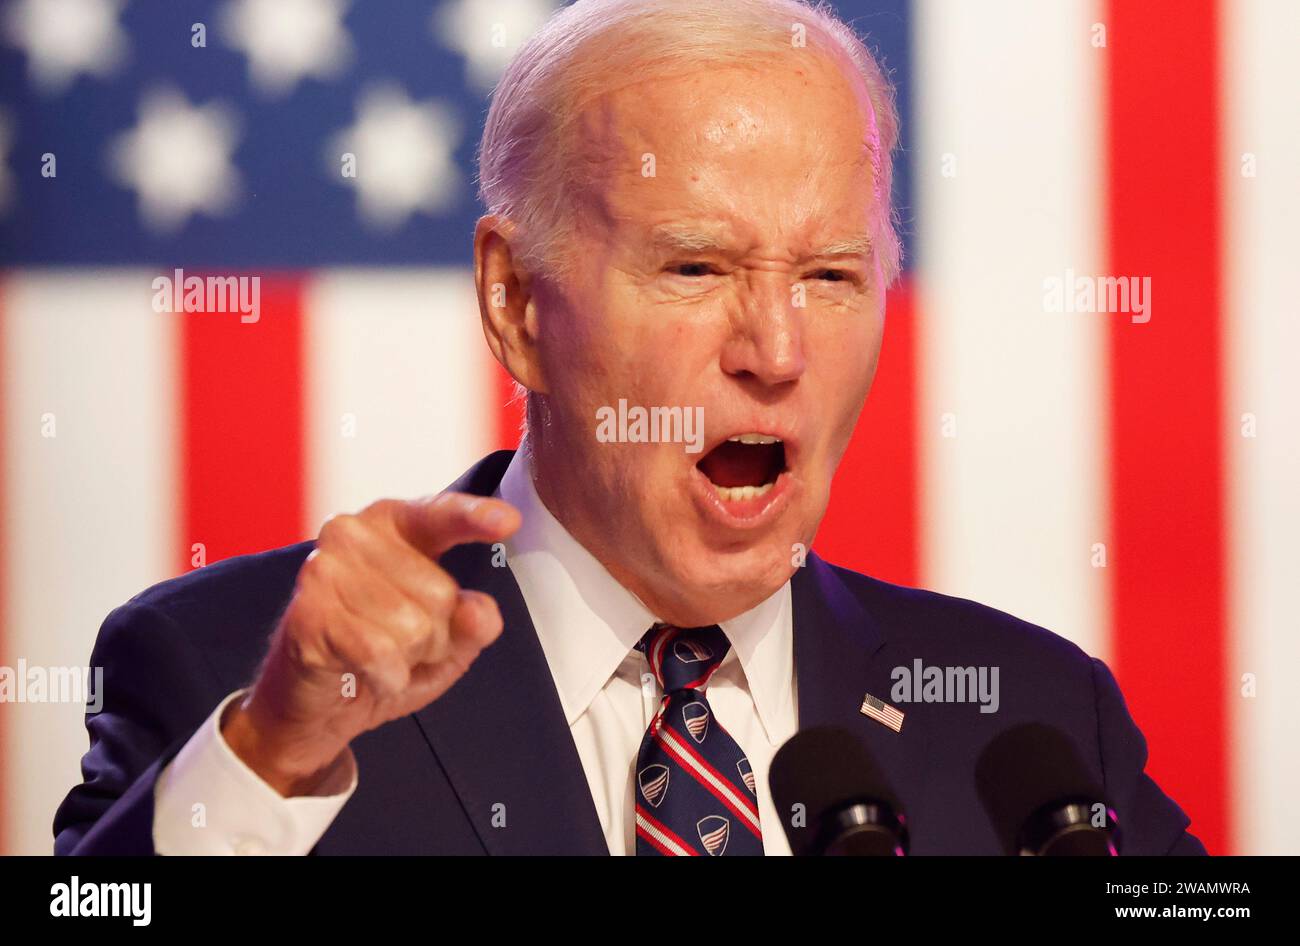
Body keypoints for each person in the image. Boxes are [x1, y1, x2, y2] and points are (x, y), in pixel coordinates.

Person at [54, 0, 1204, 856]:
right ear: (515, 304)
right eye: (694, 264)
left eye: (830, 274)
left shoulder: (1030, 720)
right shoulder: (237, 681)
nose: (777, 348)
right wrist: (266, 760)